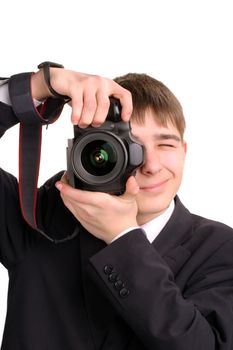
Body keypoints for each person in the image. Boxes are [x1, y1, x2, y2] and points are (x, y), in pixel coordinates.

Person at [0, 65, 233, 350]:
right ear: (89, 151)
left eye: (166, 145)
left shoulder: (221, 248)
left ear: (183, 152)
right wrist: (37, 87)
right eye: (129, 146)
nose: (151, 165)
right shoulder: (41, 217)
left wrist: (122, 237)